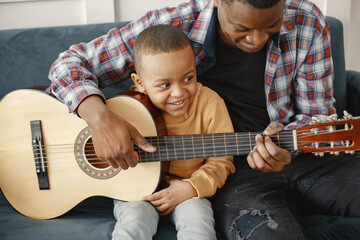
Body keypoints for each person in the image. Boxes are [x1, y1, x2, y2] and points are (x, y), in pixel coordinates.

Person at [47, 0, 360, 239]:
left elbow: (317, 114)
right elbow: (69, 64)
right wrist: (98, 117)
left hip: (293, 155)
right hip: (227, 175)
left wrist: (287, 141)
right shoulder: (170, 26)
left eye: (271, 26)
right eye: (243, 28)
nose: (257, 39)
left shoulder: (306, 20)